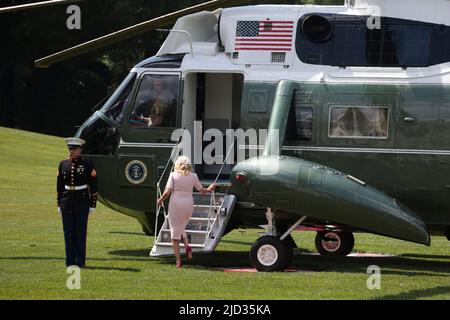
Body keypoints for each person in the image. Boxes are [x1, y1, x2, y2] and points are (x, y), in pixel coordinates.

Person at [157, 156, 216, 268]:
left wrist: (160, 200)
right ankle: (187, 246)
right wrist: (210, 188)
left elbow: (167, 192)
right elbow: (202, 191)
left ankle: (178, 261)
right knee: (180, 227)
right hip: (188, 205)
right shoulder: (193, 176)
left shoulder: (173, 175)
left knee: (174, 234)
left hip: (176, 205)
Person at [57, 137, 98, 268]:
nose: (73, 151)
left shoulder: (88, 164)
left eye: (75, 149)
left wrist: (92, 204)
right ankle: (70, 262)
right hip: (67, 202)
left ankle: (80, 262)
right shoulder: (63, 164)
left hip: (82, 202)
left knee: (80, 233)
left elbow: (94, 185)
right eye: (71, 149)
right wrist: (59, 204)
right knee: (68, 233)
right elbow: (59, 186)